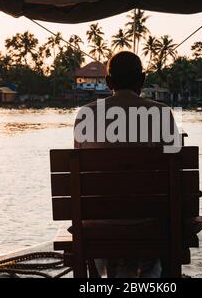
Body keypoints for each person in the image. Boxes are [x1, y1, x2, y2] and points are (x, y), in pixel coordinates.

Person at [73, 51, 179, 277]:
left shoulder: (86, 114)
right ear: (142, 80)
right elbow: (177, 173)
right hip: (150, 223)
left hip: (100, 222)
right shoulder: (162, 113)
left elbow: (80, 171)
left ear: (109, 82)